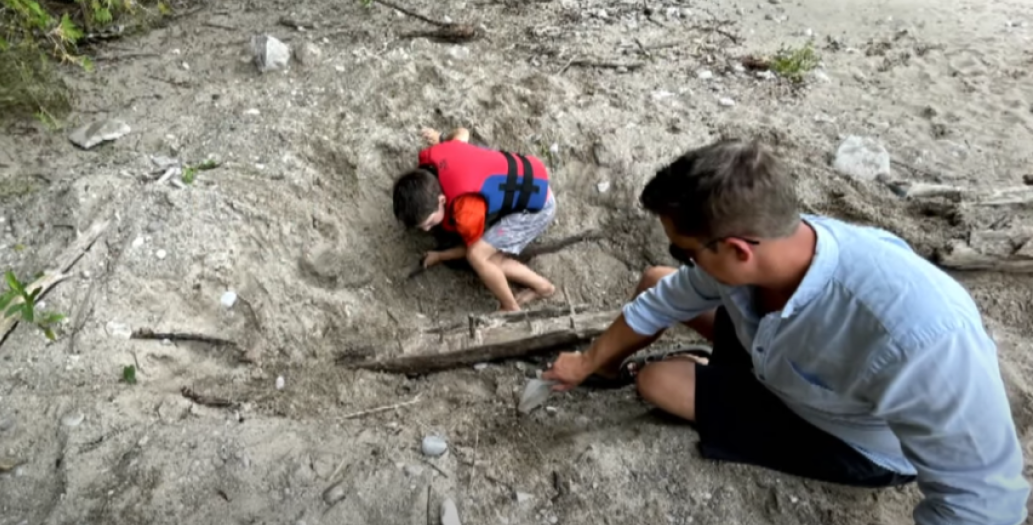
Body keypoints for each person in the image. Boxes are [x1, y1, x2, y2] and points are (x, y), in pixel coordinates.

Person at [542, 138, 1029, 524]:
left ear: (737, 248)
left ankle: (719, 382)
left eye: (685, 252)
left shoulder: (920, 335)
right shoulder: (779, 243)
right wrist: (588, 363)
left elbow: (985, 501)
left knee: (656, 380)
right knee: (655, 281)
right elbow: (662, 300)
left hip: (850, 433)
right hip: (783, 354)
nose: (685, 263)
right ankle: (713, 375)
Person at [392, 127, 557, 311]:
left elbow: (469, 248)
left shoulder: (465, 211)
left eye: (430, 222)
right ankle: (541, 287)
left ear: (442, 200)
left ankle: (513, 306)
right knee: (485, 255)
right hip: (530, 172)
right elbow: (462, 132)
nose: (427, 230)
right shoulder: (443, 152)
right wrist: (441, 138)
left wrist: (440, 256)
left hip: (537, 208)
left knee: (479, 257)